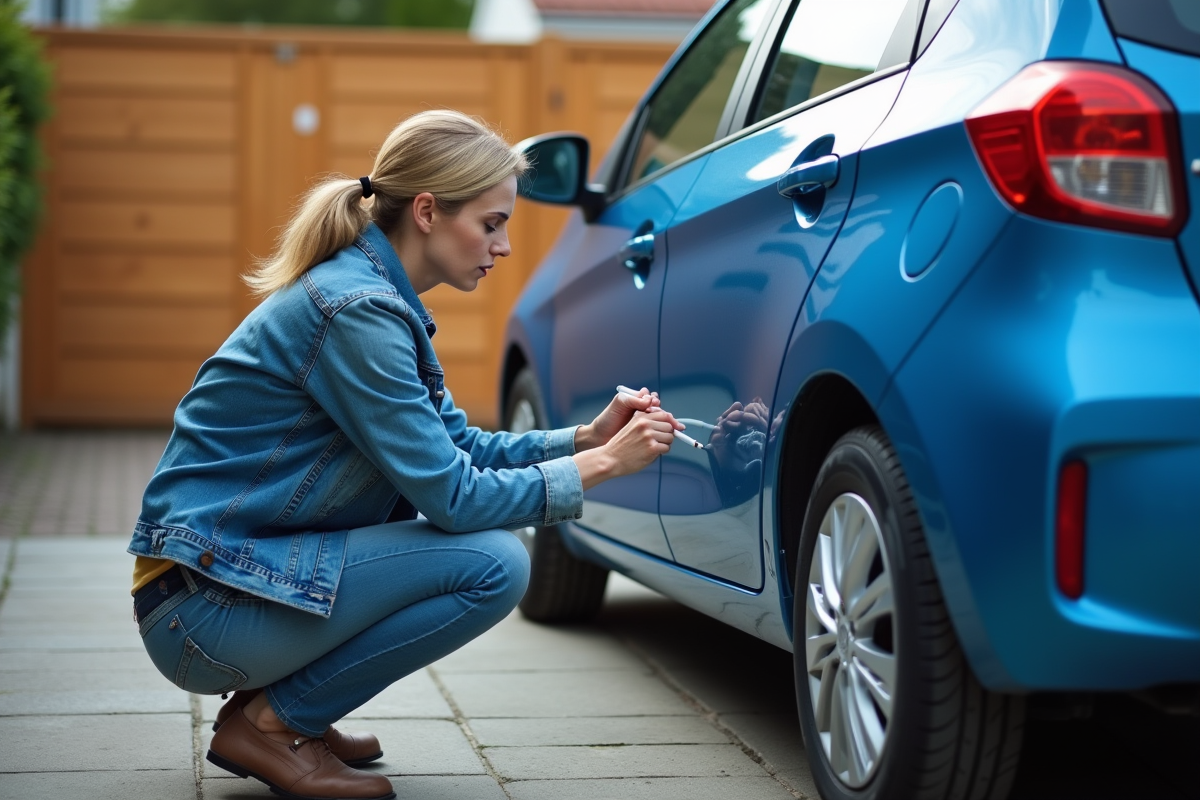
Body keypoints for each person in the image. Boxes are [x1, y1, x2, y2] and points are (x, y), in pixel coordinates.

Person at [127, 110, 682, 800]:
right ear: (427, 211)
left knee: (486, 548)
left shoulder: (375, 299)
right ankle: (274, 724)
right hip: (202, 611)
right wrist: (602, 469)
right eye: (491, 223)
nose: (503, 245)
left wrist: (585, 439)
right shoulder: (355, 310)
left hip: (222, 583)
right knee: (494, 562)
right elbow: (454, 499)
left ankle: (291, 714)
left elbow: (460, 447)